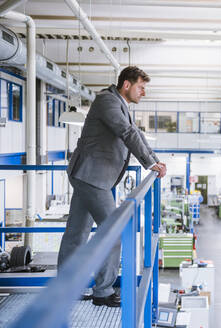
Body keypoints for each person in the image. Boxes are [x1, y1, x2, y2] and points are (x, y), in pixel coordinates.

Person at [57, 66, 166, 307]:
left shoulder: (118, 104)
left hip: (90, 176)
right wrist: (150, 163)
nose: (143, 93)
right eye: (141, 87)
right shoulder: (107, 101)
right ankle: (103, 291)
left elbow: (134, 132)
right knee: (114, 232)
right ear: (126, 85)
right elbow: (126, 132)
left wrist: (154, 159)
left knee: (77, 233)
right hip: (92, 176)